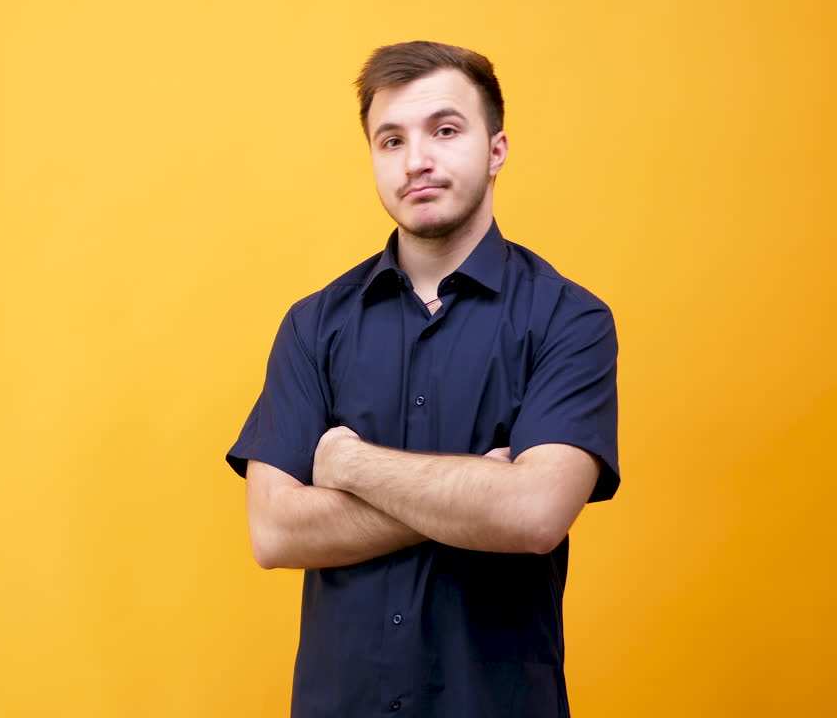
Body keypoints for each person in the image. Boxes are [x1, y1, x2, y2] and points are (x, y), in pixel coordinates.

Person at [225, 40, 621, 717]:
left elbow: (534, 516)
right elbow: (275, 531)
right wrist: (478, 492)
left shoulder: (569, 319)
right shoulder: (313, 325)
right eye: (391, 140)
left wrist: (348, 464)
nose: (416, 160)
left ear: (496, 149)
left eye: (445, 130)